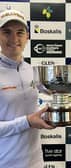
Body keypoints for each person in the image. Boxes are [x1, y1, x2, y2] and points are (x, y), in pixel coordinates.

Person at [0, 9, 54, 168]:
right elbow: (29, 120)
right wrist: (27, 122)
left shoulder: (33, 71)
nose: (14, 38)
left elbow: (51, 93)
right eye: (7, 32)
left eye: (20, 32)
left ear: (27, 37)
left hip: (36, 162)